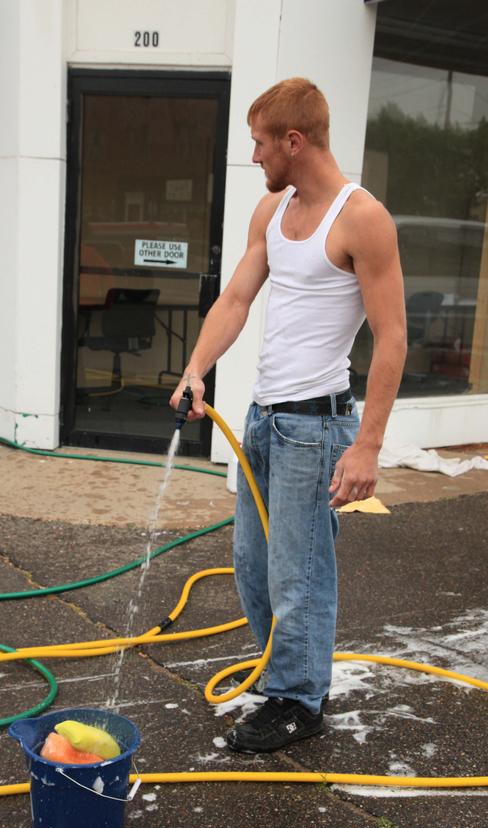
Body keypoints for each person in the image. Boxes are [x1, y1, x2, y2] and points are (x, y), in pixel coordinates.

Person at [170, 77, 407, 753]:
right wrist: (196, 368)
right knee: (252, 563)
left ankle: (301, 702)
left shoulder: (362, 218)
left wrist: (367, 446)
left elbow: (392, 338)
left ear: (294, 142)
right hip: (263, 420)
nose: (255, 156)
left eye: (261, 142)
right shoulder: (271, 211)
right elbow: (237, 299)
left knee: (299, 573)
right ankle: (286, 677)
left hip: (319, 425)